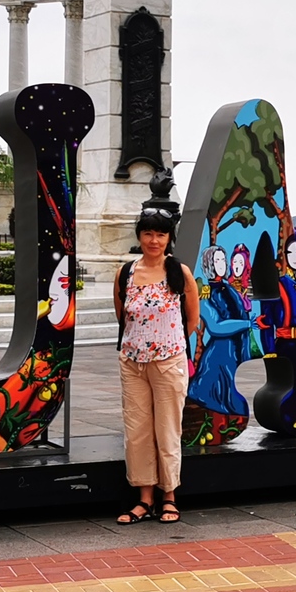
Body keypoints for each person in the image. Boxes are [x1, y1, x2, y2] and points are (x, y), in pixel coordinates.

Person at [114, 208, 200, 524]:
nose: (154, 240)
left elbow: (192, 319)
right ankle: (144, 498)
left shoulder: (180, 273)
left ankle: (169, 496)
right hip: (132, 363)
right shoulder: (125, 273)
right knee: (137, 431)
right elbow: (122, 315)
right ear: (139, 236)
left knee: (167, 429)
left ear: (169, 238)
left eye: (160, 234)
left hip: (168, 362)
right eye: (148, 233)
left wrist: (165, 344)